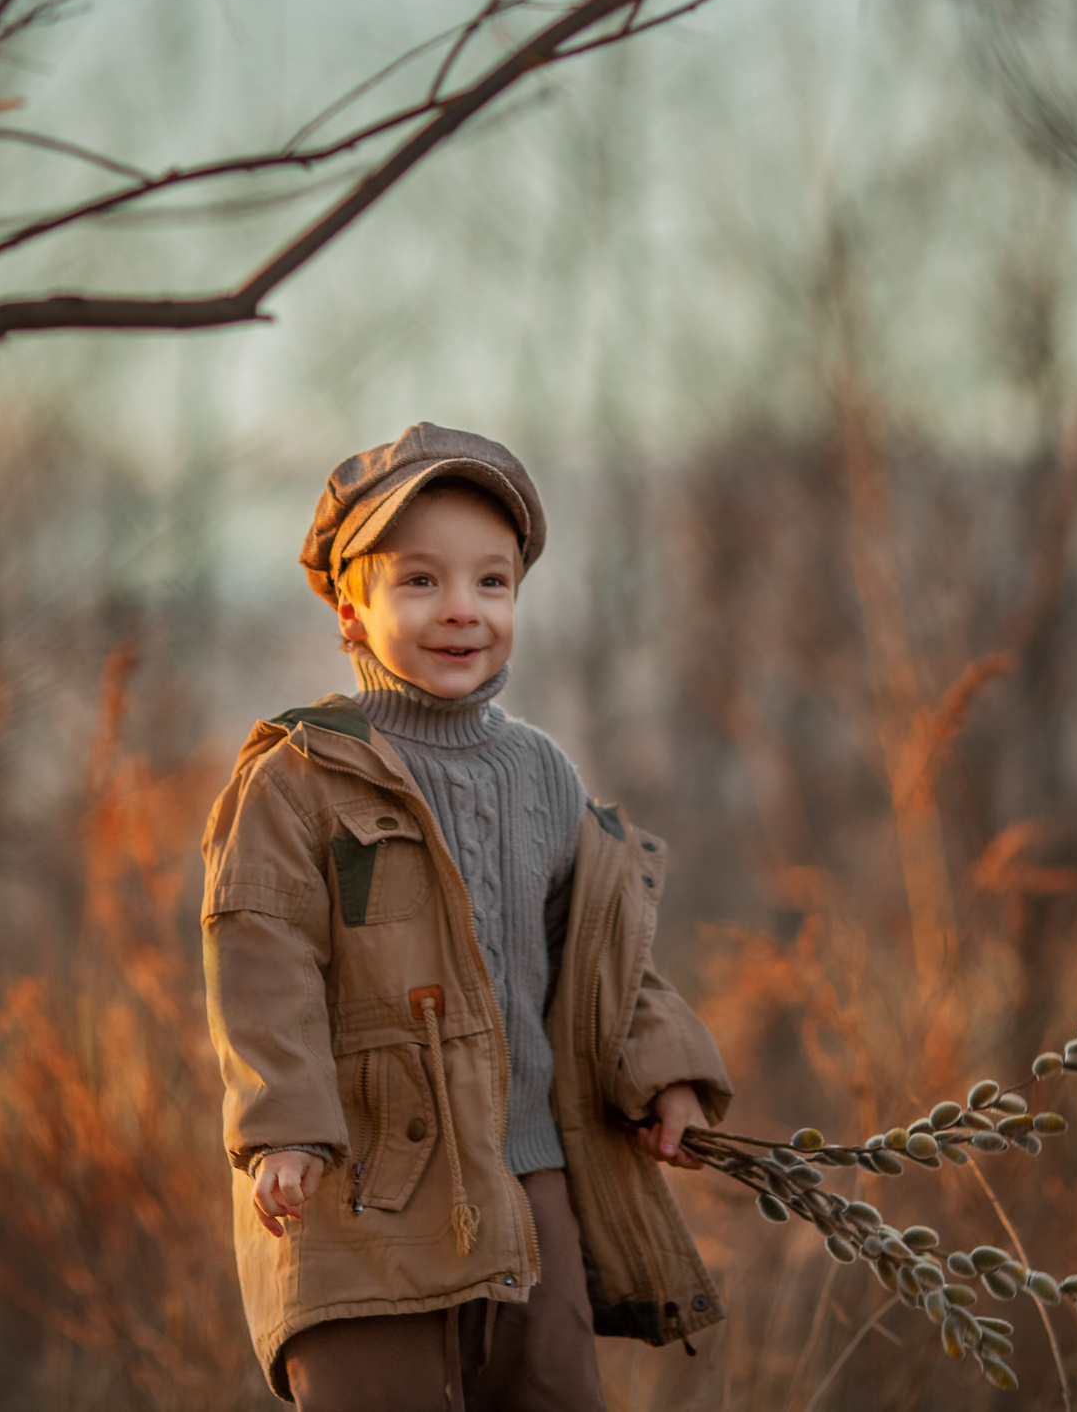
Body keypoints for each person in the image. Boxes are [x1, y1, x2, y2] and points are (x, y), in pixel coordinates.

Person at [201, 422, 735, 1410]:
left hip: (530, 1176)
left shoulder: (540, 772)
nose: (462, 611)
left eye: (491, 583)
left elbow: (602, 956)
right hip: (361, 1190)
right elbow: (260, 956)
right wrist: (284, 1129)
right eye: (419, 582)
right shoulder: (298, 778)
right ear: (350, 612)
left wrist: (666, 1073)